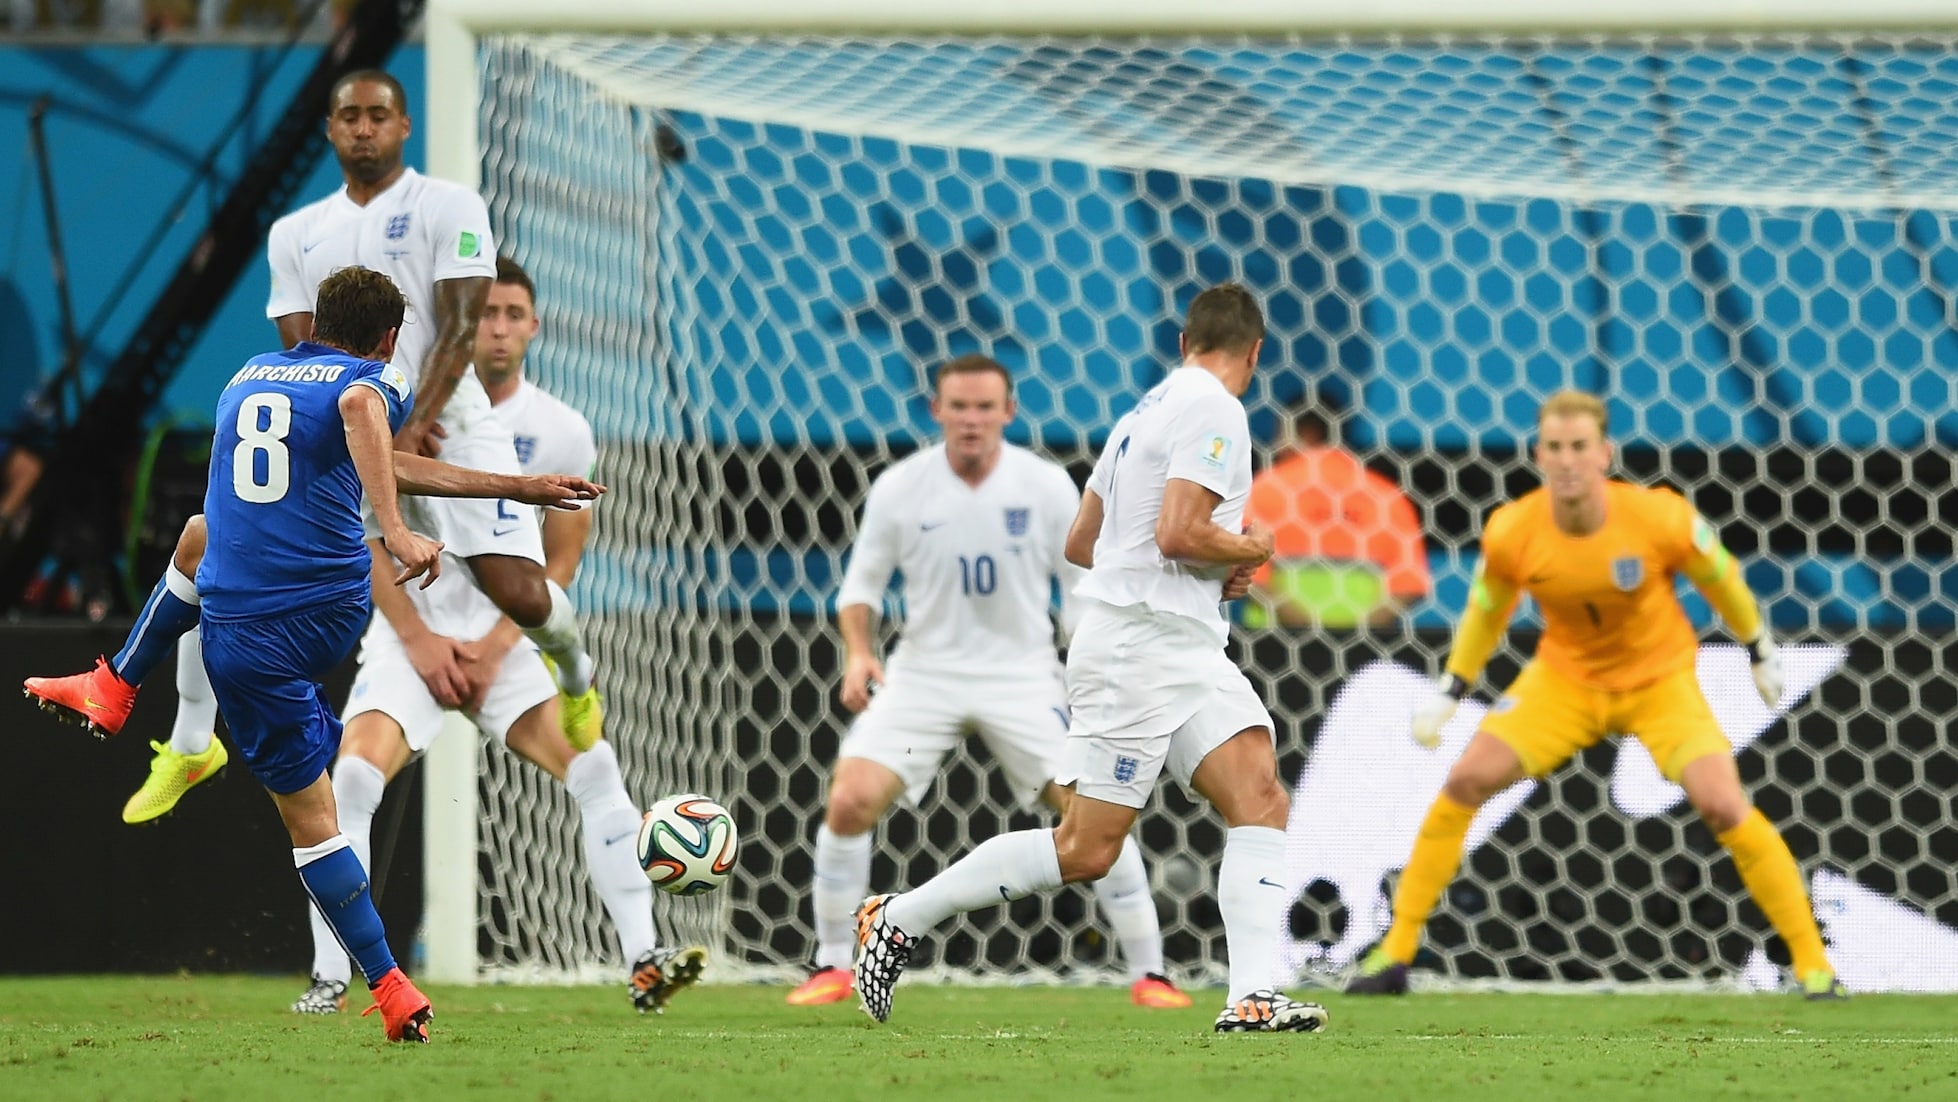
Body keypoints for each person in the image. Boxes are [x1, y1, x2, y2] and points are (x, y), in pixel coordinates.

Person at [24, 69, 602, 811]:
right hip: (348, 433)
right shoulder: (294, 233)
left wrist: (414, 416)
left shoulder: (449, 204)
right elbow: (308, 353)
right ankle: (193, 743)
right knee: (221, 548)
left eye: (378, 115)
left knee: (519, 592)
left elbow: (458, 323)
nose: (363, 127)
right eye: (349, 116)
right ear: (330, 129)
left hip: (447, 419)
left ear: (403, 127)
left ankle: (575, 675)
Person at [850, 284, 1329, 1033]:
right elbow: (1177, 533)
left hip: (1180, 642)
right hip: (1138, 647)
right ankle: (897, 917)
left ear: (1183, 342)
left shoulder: (1144, 412)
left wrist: (1212, 562)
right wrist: (1250, 547)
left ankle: (1250, 995)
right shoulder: (1216, 410)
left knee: (1261, 796)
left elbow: (1083, 544)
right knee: (1086, 849)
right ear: (1257, 352)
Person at [176, 265, 598, 1042]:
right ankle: (359, 977)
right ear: (393, 337)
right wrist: (406, 534)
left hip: (276, 616)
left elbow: (388, 458)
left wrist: (514, 486)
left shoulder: (253, 373)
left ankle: (169, 723)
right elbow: (367, 418)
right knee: (338, 796)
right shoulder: (373, 383)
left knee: (197, 550)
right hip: (346, 617)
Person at [291, 256, 704, 1017]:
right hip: (410, 636)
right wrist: (416, 639)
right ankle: (329, 978)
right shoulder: (387, 406)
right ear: (457, 327)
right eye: (487, 314)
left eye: (515, 314)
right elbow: (366, 539)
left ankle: (644, 959)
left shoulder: (561, 428)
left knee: (597, 768)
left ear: (534, 326)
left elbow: (562, 560)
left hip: (501, 639)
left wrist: (495, 645)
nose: (501, 327)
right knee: (349, 779)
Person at [1345, 389, 1846, 1001]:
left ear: (1605, 453)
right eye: (1554, 448)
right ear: (1538, 455)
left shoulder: (1658, 517)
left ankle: (1812, 964)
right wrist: (1453, 688)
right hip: (1566, 681)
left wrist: (1759, 648)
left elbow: (1721, 577)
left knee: (1723, 805)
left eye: (1579, 446)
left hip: (1658, 681)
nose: (1567, 460)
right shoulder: (1515, 530)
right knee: (1464, 783)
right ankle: (1394, 953)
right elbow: (1485, 611)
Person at [785, 354, 1187, 1011]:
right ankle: (831, 963)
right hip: (924, 673)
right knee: (850, 799)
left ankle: (1151, 973)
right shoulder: (900, 487)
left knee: (1095, 807)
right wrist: (859, 654)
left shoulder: (1047, 486)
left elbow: (1079, 593)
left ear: (1009, 412)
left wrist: (1092, 669)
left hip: (1024, 675)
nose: (971, 420)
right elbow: (859, 591)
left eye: (984, 407)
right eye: (959, 407)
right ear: (936, 410)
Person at [1241, 401, 1429, 629]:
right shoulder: (1386, 495)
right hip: (1366, 650)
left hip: (1274, 645)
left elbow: (1245, 571)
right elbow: (1409, 584)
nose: (1275, 444)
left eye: (1279, 433)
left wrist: (1303, 627)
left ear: (1305, 433)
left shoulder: (1267, 487)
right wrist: (1360, 633)